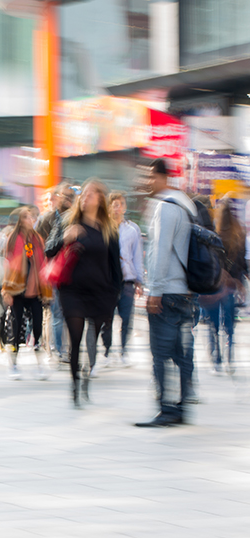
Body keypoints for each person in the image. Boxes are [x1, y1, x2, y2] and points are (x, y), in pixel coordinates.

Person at [45, 179, 121, 408]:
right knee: (76, 337)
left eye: (92, 194)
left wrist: (114, 297)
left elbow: (115, 267)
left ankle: (86, 374)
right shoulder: (69, 221)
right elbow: (49, 249)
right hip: (72, 290)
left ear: (100, 200)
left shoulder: (108, 230)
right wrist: (65, 237)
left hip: (100, 292)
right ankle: (75, 385)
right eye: (84, 193)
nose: (86, 197)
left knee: (92, 340)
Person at [136, 159, 196, 427]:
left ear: (162, 177)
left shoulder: (164, 206)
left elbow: (160, 250)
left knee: (160, 353)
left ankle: (166, 409)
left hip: (167, 292)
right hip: (185, 291)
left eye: (150, 176)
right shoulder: (187, 204)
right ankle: (182, 408)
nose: (148, 182)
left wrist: (155, 291)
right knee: (181, 353)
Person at [1, 207, 50, 380]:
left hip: (35, 290)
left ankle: (40, 364)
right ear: (21, 220)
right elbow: (7, 265)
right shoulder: (13, 240)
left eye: (32, 217)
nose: (31, 220)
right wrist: (6, 289)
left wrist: (46, 289)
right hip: (17, 290)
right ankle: (13, 363)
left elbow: (42, 263)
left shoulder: (38, 240)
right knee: (16, 329)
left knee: (38, 327)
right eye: (27, 217)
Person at [95, 191, 142, 369]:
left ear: (125, 207)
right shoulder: (102, 228)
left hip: (127, 280)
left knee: (127, 318)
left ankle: (123, 351)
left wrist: (139, 279)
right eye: (114, 204)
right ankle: (106, 351)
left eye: (121, 204)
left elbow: (137, 256)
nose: (118, 208)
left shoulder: (132, 230)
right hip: (107, 281)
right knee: (107, 318)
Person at [202, 197, 247, 375]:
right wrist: (240, 283)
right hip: (231, 286)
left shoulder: (214, 233)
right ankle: (229, 357)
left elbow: (210, 260)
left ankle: (217, 358)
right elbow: (243, 263)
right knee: (229, 324)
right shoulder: (239, 234)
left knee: (213, 324)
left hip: (216, 284)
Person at [38, 184, 76, 363]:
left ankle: (67, 349)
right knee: (57, 312)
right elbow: (44, 247)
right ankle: (57, 350)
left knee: (72, 313)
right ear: (58, 197)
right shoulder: (49, 219)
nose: (69, 199)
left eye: (72, 196)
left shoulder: (78, 217)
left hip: (76, 271)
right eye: (65, 195)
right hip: (56, 271)